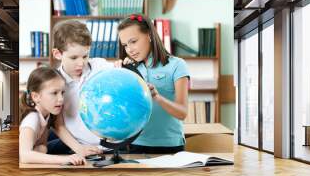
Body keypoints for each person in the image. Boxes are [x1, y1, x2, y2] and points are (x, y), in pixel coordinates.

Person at [117, 14, 190, 154]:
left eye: (133, 41)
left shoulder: (177, 65)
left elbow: (182, 113)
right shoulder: (128, 69)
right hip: (135, 145)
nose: (130, 49)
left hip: (170, 145)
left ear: (149, 35)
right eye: (125, 45)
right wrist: (119, 75)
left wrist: (158, 97)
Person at [49, 19, 116, 156]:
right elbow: (58, 125)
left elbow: (122, 76)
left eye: (85, 56)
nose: (81, 63)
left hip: (112, 145)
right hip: (77, 146)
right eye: (73, 58)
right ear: (57, 54)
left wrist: (122, 65)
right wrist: (79, 149)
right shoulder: (54, 82)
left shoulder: (100, 66)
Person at [19, 67, 85, 165]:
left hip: (36, 146)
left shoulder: (48, 113)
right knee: (61, 145)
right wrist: (65, 159)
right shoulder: (31, 119)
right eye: (54, 93)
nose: (61, 99)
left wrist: (42, 148)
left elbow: (43, 145)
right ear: (36, 97)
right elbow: (24, 156)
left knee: (59, 144)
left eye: (62, 93)